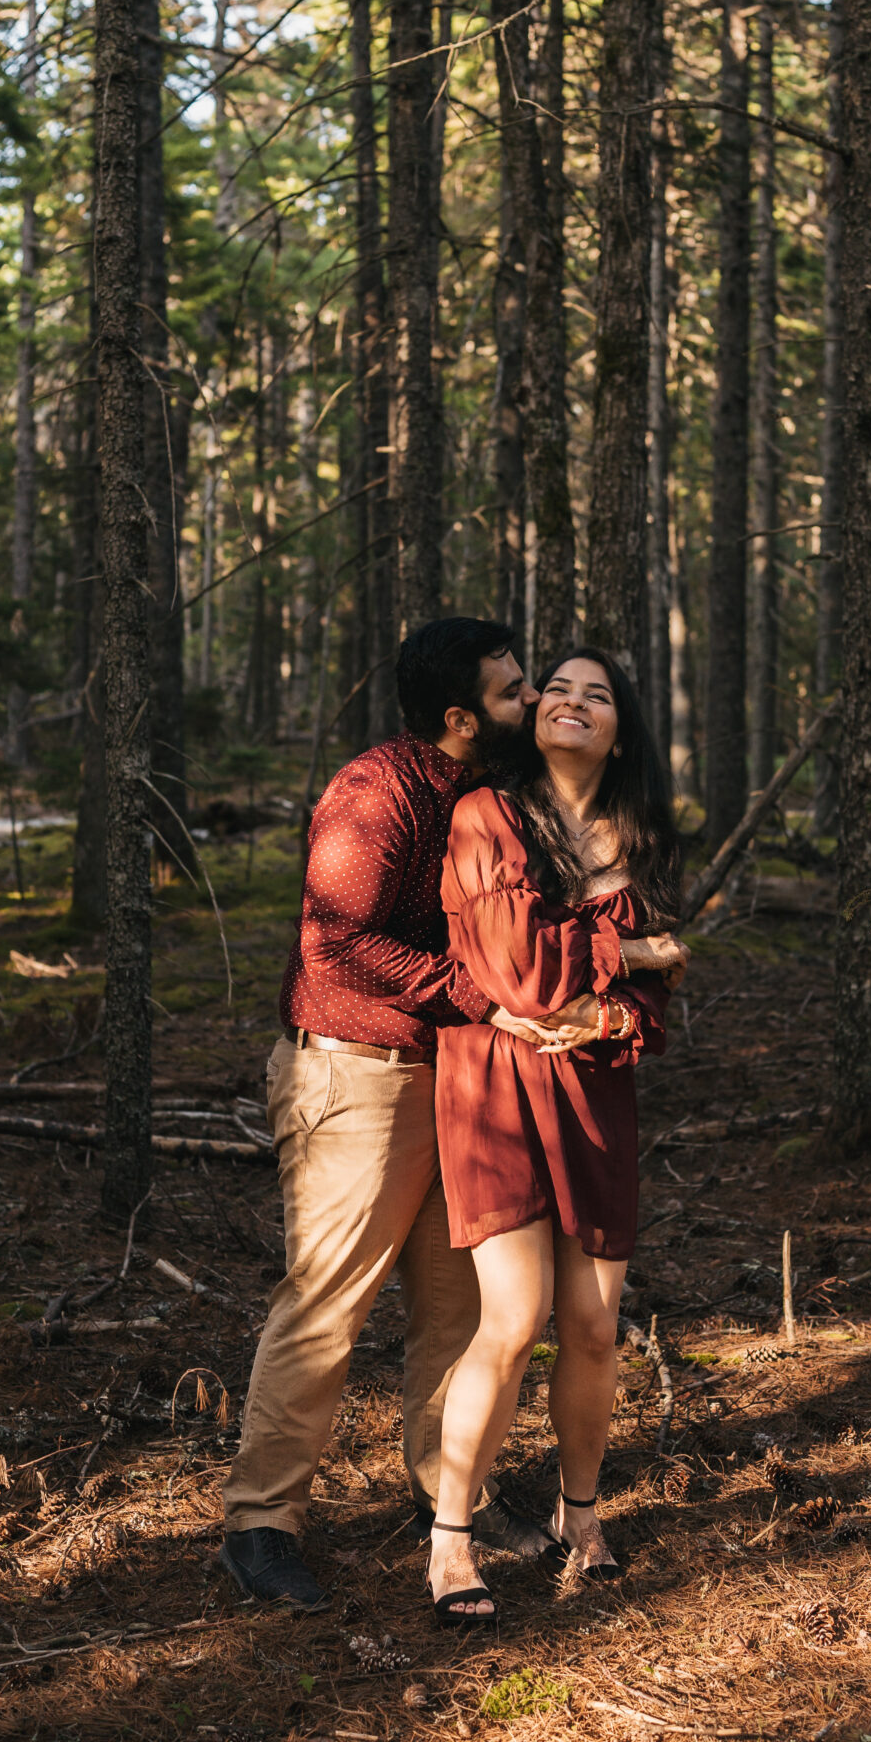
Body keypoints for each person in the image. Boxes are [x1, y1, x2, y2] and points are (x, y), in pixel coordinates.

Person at [219, 618, 590, 1613]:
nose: (534, 699)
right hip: (358, 1078)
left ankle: (445, 1494)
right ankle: (261, 1524)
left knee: (458, 1305)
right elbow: (337, 944)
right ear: (461, 716)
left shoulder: (491, 791)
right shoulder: (375, 792)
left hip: (455, 1078)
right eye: (515, 691)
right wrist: (476, 993)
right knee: (328, 1300)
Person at [424, 649, 689, 1624]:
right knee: (515, 1315)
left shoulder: (640, 832)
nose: (574, 702)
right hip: (496, 1085)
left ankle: (583, 1518)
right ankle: (451, 1537)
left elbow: (651, 1008)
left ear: (622, 727)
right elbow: (523, 975)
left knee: (592, 1325)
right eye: (558, 689)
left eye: (600, 694)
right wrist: (628, 949)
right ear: (533, 717)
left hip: (595, 1092)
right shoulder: (487, 816)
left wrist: (614, 1011)